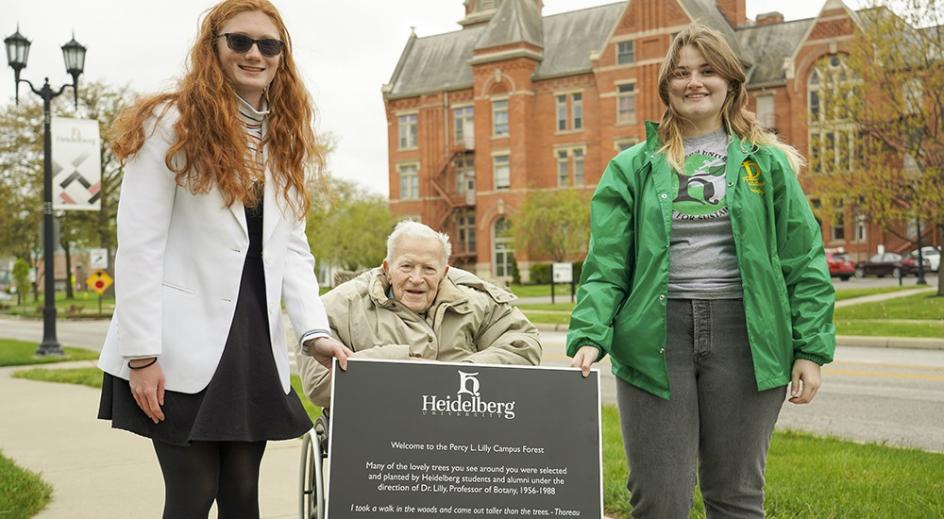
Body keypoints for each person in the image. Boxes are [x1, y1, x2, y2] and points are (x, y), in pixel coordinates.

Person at [567, 25, 835, 518]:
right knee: (658, 500)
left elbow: (804, 259)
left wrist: (811, 350)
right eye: (682, 73)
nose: (695, 82)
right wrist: (590, 333)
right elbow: (606, 264)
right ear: (666, 87)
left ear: (730, 82)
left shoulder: (768, 164)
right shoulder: (632, 167)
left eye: (707, 70)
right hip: (654, 337)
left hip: (747, 336)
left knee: (735, 496)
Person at [96, 1, 350, 517]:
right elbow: (140, 246)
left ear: (283, 56)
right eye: (240, 41)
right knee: (192, 497)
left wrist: (313, 331)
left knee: (242, 496)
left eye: (269, 45)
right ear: (213, 47)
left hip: (252, 341)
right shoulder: (169, 123)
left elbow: (293, 248)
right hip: (173, 345)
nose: (255, 53)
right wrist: (141, 356)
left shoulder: (282, 138)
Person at [298, 221, 542, 407]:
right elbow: (318, 385)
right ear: (388, 268)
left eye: (428, 268)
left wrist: (460, 374)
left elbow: (523, 345)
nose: (417, 278)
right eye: (406, 266)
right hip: (381, 432)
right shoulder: (341, 307)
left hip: (466, 430)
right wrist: (403, 365)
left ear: (444, 272)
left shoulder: (476, 302)